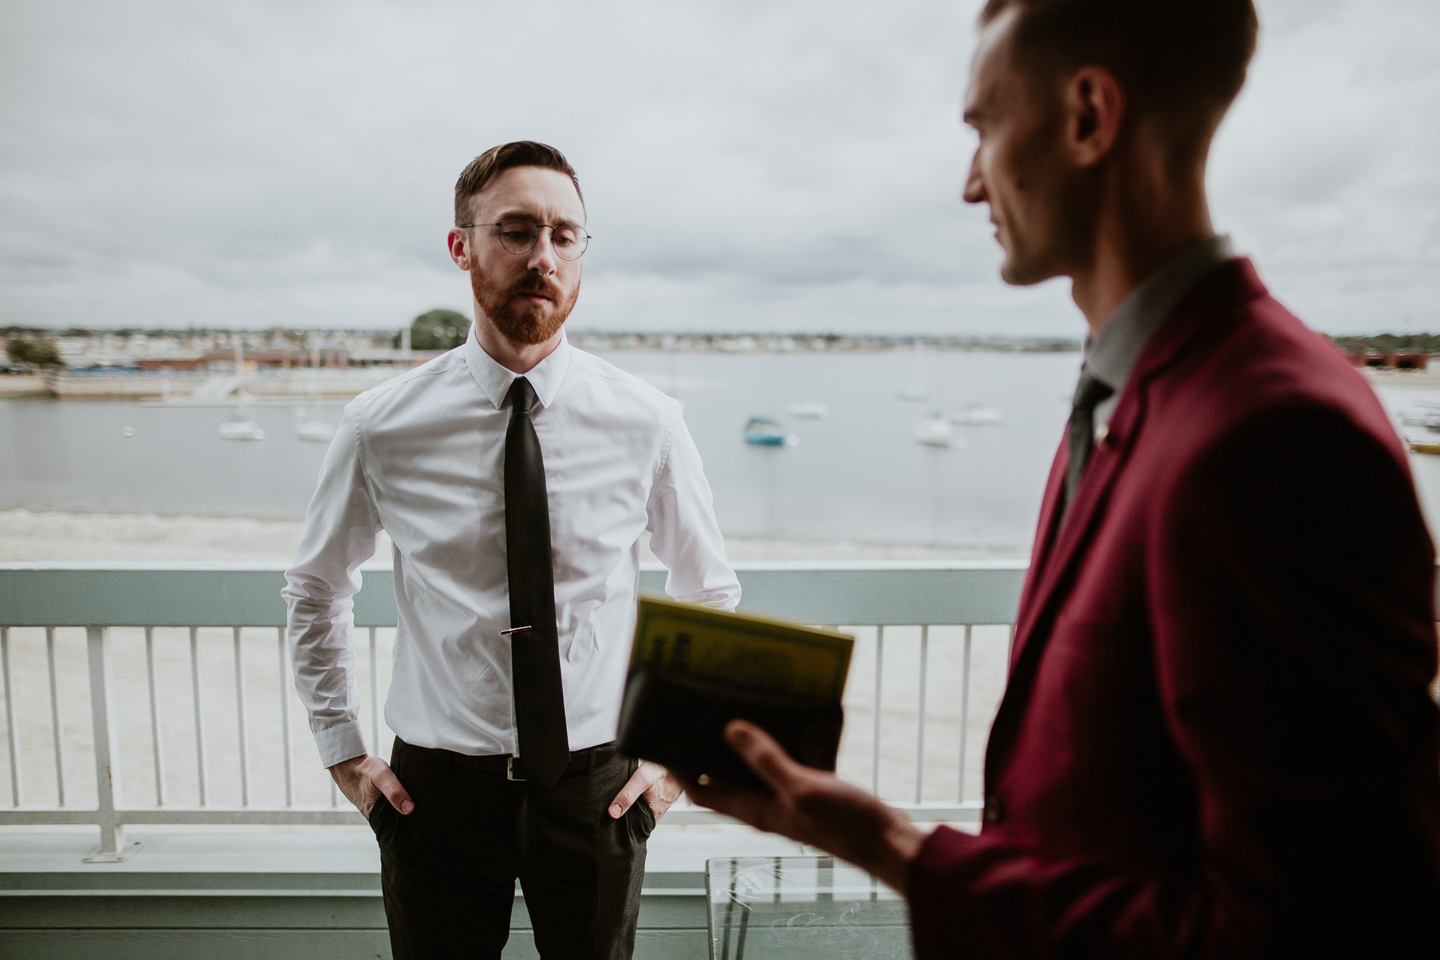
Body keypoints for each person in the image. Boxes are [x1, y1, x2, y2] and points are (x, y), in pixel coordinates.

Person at [684, 1, 1440, 955]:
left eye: (984, 127)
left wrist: (898, 849)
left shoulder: (1274, 436)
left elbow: (1317, 923)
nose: (970, 183)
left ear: (1089, 117)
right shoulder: (1134, 394)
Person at [284, 141, 741, 960]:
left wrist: (672, 767)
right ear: (461, 245)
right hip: (436, 796)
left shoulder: (648, 421)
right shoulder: (380, 425)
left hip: (600, 792)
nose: (543, 256)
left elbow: (708, 588)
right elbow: (317, 588)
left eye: (565, 235)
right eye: (517, 230)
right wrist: (344, 755)